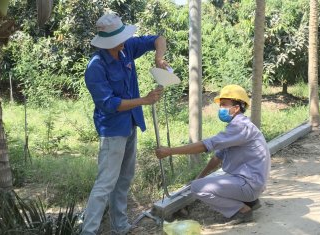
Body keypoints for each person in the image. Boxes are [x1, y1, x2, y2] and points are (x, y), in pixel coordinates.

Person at [81, 12, 169, 235]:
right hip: (112, 130)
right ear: (109, 41)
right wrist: (144, 100)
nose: (124, 42)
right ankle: (88, 231)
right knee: (105, 183)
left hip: (130, 123)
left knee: (124, 178)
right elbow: (109, 103)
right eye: (120, 40)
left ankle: (119, 227)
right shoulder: (96, 67)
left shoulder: (125, 48)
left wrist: (159, 58)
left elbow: (158, 39)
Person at [156, 84, 271, 225]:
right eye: (220, 105)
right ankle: (250, 200)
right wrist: (200, 176)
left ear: (236, 108)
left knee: (198, 188)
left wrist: (170, 151)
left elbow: (205, 145)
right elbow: (217, 157)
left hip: (249, 184)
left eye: (224, 105)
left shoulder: (240, 127)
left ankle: (242, 210)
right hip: (250, 182)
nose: (221, 109)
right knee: (201, 182)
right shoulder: (238, 127)